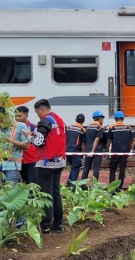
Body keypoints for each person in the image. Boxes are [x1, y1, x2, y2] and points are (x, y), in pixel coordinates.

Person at [32, 99, 66, 234]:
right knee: (56, 193)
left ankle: (45, 224)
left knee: (46, 194)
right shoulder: (59, 119)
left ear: (41, 109)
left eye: (37, 112)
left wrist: (30, 137)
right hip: (59, 161)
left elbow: (39, 142)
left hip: (46, 162)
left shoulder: (45, 121)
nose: (38, 116)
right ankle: (57, 225)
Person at [1, 109, 30, 186]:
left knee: (11, 190)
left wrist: (10, 141)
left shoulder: (20, 126)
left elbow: (26, 146)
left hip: (12, 165)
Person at [106, 111, 133, 189]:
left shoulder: (112, 127)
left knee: (112, 169)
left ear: (115, 118)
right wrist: (130, 150)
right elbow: (130, 140)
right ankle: (120, 187)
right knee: (122, 169)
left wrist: (107, 150)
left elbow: (108, 140)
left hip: (115, 151)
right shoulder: (128, 127)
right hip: (125, 152)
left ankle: (112, 186)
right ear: (123, 118)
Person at [14, 106, 37, 184]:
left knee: (33, 184)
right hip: (18, 160)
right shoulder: (13, 128)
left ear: (26, 115)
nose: (17, 118)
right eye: (16, 116)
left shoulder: (34, 128)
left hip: (32, 160)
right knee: (21, 184)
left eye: (20, 116)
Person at [81, 111, 105, 182]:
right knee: (96, 168)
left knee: (86, 168)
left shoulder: (88, 126)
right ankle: (95, 185)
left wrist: (86, 151)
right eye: (102, 119)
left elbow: (85, 141)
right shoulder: (100, 127)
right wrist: (93, 151)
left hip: (88, 149)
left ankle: (82, 185)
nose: (102, 120)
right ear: (99, 119)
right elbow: (97, 139)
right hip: (97, 150)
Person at [65, 113, 86, 186]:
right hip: (76, 151)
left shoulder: (69, 127)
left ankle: (69, 181)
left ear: (75, 120)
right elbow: (83, 143)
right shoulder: (83, 130)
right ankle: (72, 186)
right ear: (83, 121)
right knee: (76, 167)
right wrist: (83, 155)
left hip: (67, 151)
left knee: (73, 167)